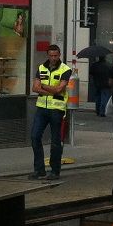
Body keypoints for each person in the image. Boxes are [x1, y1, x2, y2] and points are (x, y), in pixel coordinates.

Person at [30, 44, 72, 180]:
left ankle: (55, 171)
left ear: (59, 55)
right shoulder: (41, 68)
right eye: (51, 55)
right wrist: (48, 88)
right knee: (35, 137)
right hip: (42, 108)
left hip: (57, 109)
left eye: (55, 55)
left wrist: (41, 85)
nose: (53, 58)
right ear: (47, 55)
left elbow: (58, 90)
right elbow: (34, 88)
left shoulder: (65, 69)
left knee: (55, 141)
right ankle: (39, 169)